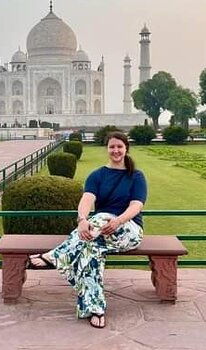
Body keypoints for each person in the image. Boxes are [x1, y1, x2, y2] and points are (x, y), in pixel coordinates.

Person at [28, 131, 147, 329]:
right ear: (106, 149)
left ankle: (55, 256)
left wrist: (117, 221)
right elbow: (87, 199)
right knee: (91, 252)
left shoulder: (136, 176)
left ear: (126, 148)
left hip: (128, 231)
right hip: (99, 234)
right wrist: (82, 220)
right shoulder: (97, 175)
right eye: (112, 147)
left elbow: (136, 205)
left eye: (119, 146)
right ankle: (95, 309)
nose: (116, 150)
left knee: (100, 218)